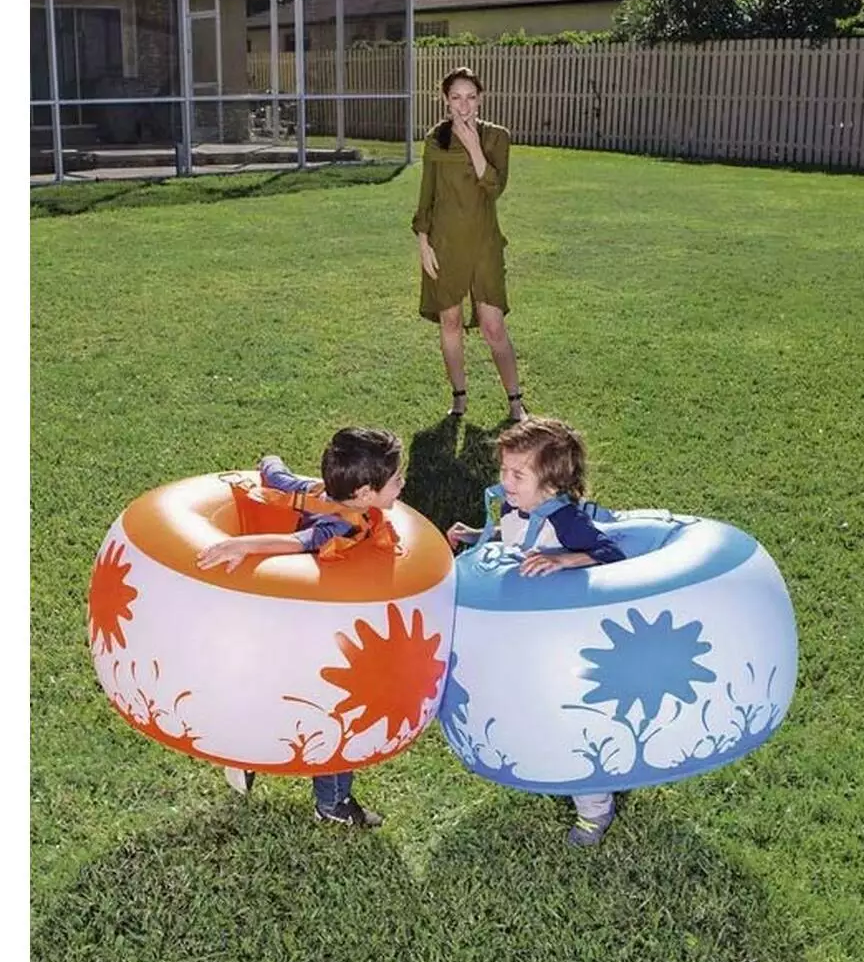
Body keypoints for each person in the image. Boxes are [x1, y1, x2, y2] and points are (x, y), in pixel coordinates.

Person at [196, 426, 406, 829]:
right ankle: (332, 804)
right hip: (319, 629)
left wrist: (269, 460)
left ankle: (245, 754)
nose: (403, 484)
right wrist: (243, 545)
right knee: (333, 713)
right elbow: (298, 542)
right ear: (365, 493)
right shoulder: (341, 524)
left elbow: (279, 478)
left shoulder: (315, 491)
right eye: (397, 479)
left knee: (289, 697)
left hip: (295, 622)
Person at [446, 417, 627, 847]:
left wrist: (564, 560)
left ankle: (595, 810)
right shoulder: (516, 507)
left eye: (517, 474)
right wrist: (475, 536)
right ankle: (548, 766)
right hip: (526, 640)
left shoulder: (565, 520)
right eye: (504, 470)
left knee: (569, 722)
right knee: (532, 711)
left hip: (563, 645)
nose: (505, 481)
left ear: (551, 483)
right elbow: (513, 543)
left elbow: (611, 554)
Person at [412, 66, 528, 422]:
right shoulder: (435, 139)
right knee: (450, 322)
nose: (464, 106)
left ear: (481, 99)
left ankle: (516, 402)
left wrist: (474, 145)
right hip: (444, 244)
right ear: (445, 101)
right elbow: (427, 195)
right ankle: (459, 397)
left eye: (471, 97)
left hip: (484, 244)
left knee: (493, 326)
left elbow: (493, 187)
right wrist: (423, 243)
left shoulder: (497, 137)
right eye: (456, 98)